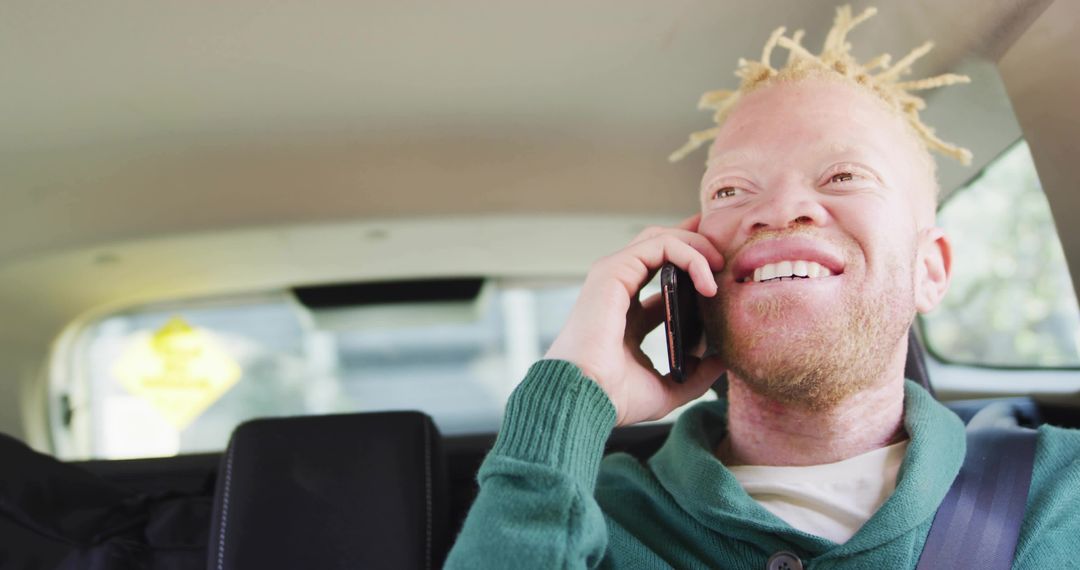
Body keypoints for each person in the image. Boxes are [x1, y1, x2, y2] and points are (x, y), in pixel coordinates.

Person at [445, 6, 1080, 568]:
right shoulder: (588, 519)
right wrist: (575, 388)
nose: (780, 210)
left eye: (842, 175)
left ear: (930, 269)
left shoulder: (1060, 490)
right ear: (690, 267)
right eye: (730, 190)